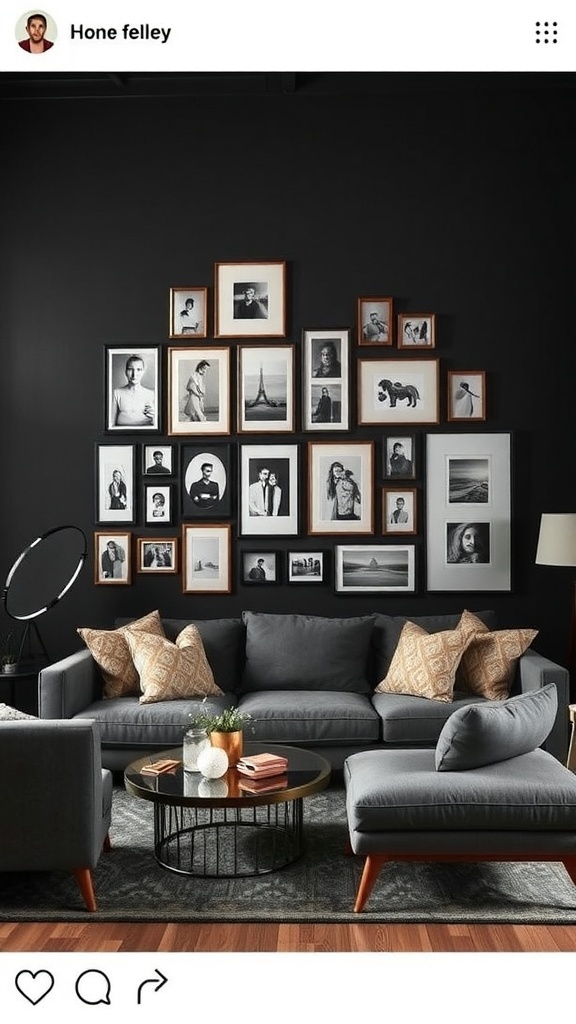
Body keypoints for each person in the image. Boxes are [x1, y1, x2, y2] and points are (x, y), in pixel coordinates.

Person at [113, 354, 155, 427]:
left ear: (143, 372)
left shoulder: (151, 394)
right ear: (125, 372)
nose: (134, 374)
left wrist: (155, 417)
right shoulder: (117, 393)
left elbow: (159, 425)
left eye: (139, 369)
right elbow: (110, 422)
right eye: (130, 369)